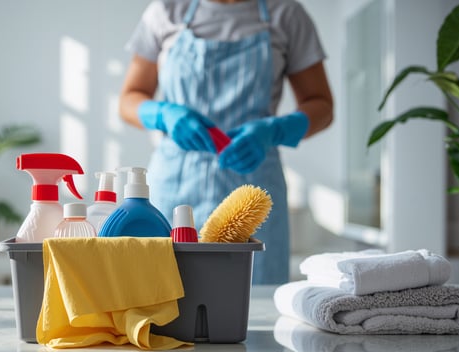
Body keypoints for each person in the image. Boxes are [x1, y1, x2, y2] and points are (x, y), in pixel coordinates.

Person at [119, 0, 333, 284]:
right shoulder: (167, 10)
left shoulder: (286, 14)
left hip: (254, 191)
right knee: (161, 297)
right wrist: (162, 114)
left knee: (253, 303)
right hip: (173, 190)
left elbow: (322, 106)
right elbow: (129, 98)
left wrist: (274, 129)